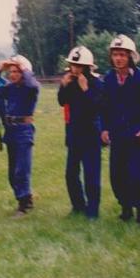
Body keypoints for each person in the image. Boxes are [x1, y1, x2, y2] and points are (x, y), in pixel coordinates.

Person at [101, 34, 140, 223]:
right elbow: (104, 107)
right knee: (117, 174)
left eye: (123, 55)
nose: (118, 58)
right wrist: (104, 128)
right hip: (117, 135)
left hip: (135, 136)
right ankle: (125, 209)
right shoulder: (109, 79)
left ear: (130, 57)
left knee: (135, 175)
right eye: (115, 54)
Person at [58, 46, 104, 219]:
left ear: (87, 67)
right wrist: (63, 86)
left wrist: (85, 89)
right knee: (71, 174)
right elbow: (62, 102)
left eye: (78, 66)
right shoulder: (70, 82)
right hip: (74, 133)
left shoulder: (97, 84)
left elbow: (96, 107)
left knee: (91, 174)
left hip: (91, 134)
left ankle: (93, 210)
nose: (75, 69)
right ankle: (78, 205)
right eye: (72, 65)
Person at [0, 54, 40, 216]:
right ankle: (25, 197)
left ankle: (24, 204)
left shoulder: (30, 89)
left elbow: (31, 84)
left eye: (17, 71)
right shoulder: (10, 88)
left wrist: (24, 68)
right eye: (11, 71)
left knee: (22, 170)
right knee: (12, 172)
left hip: (23, 130)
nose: (13, 74)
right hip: (11, 130)